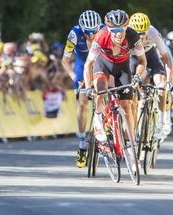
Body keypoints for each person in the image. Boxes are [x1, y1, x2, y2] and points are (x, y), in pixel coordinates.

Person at [83, 9, 147, 170]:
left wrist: (138, 76)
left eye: (122, 29)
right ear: (108, 29)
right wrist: (89, 87)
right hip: (103, 65)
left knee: (127, 107)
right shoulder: (101, 36)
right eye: (115, 30)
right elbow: (88, 64)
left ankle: (131, 148)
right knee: (100, 90)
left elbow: (142, 61)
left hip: (123, 68)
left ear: (127, 27)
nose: (119, 34)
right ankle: (98, 122)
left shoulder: (133, 36)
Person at [62, 10, 102, 168]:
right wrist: (74, 78)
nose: (91, 36)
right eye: (88, 33)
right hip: (80, 69)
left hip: (99, 66)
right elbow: (65, 61)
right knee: (83, 102)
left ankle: (105, 128)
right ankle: (81, 144)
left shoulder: (104, 31)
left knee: (104, 93)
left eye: (94, 32)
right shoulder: (74, 34)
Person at [128, 12, 173, 138]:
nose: (141, 37)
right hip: (133, 58)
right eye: (137, 33)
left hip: (150, 54)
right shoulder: (125, 34)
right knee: (132, 91)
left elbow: (167, 58)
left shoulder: (153, 32)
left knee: (161, 86)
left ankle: (162, 120)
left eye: (143, 33)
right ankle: (132, 129)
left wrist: (169, 82)